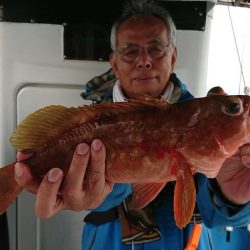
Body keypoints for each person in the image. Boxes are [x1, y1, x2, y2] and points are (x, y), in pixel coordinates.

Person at [14, 0, 250, 249]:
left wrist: (232, 196)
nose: (144, 60)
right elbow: (108, 200)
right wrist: (94, 195)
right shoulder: (90, 124)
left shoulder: (201, 129)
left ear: (173, 57)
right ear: (114, 63)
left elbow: (216, 217)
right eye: (130, 51)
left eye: (156, 48)